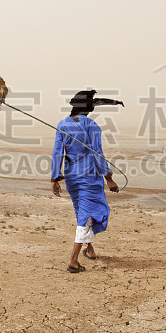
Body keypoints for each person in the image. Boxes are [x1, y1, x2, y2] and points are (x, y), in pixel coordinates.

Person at [50, 90, 123, 273]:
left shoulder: (63, 124)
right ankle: (73, 260)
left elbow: (57, 152)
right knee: (86, 214)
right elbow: (98, 153)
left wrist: (54, 178)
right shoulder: (91, 125)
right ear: (88, 109)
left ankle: (89, 250)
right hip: (89, 178)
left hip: (72, 179)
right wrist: (109, 178)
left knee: (82, 210)